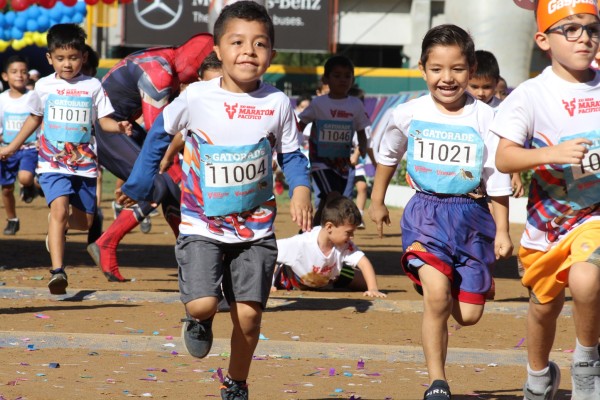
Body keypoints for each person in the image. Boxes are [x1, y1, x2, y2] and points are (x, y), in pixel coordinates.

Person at [116, 2, 312, 399]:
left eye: (260, 44)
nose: (248, 51)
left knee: (250, 318)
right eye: (237, 42)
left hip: (255, 229)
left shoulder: (277, 103)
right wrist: (139, 183)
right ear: (218, 51)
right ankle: (197, 319)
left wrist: (302, 189)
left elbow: (291, 155)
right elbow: (158, 136)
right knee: (205, 304)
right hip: (201, 225)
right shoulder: (197, 97)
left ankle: (236, 383)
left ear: (271, 54)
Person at [368, 24, 513, 400]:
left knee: (468, 315)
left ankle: (464, 278)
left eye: (457, 69)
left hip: (473, 217)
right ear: (422, 68)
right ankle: (438, 382)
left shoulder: (487, 118)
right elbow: (387, 155)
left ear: (471, 68)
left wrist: (502, 231)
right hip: (425, 215)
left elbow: (496, 179)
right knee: (435, 297)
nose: (446, 79)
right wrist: (377, 199)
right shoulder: (408, 113)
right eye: (436, 69)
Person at [492, 1, 600, 399]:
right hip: (547, 225)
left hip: (595, 217)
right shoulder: (530, 95)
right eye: (570, 29)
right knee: (543, 307)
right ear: (543, 40)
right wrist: (551, 154)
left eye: (591, 28)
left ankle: (588, 364)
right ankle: (539, 374)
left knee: (586, 279)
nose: (584, 37)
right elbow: (505, 157)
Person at [0, 23, 132, 295]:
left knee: (84, 222)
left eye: (73, 57)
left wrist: (118, 127)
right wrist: (13, 145)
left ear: (83, 56)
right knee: (59, 209)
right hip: (52, 162)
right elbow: (35, 118)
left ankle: (55, 227)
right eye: (60, 58)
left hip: (84, 164)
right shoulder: (44, 86)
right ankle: (57, 271)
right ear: (50, 59)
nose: (67, 64)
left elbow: (104, 120)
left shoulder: (93, 85)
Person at [86, 32, 214, 282]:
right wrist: (177, 173)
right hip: (107, 130)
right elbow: (160, 132)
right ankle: (107, 243)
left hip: (124, 129)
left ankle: (191, 261)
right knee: (155, 185)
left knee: (172, 191)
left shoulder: (168, 60)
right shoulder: (160, 72)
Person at [297, 55, 370, 226]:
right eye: (337, 75)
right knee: (334, 198)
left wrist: (363, 147)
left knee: (326, 202)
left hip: (342, 163)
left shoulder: (355, 105)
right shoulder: (319, 103)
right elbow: (300, 123)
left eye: (347, 76)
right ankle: (336, 232)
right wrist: (291, 142)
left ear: (352, 79)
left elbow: (361, 130)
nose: (342, 80)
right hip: (320, 162)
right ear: (326, 79)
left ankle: (309, 233)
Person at [272, 194, 385, 297]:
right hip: (292, 279)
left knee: (366, 281)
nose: (352, 237)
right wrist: (267, 283)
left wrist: (373, 289)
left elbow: (364, 262)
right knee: (274, 267)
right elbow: (268, 252)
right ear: (329, 227)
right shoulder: (300, 244)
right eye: (348, 232)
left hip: (330, 278)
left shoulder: (345, 245)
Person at [467, 50, 524, 198]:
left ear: (496, 82)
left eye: (486, 87)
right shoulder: (461, 108)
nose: (480, 93)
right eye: (474, 86)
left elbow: (512, 142)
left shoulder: (504, 109)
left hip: (496, 173)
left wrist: (515, 175)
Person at [0, 55, 41, 235]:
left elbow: (41, 119)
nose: (19, 75)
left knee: (24, 178)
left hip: (29, 148)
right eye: (14, 72)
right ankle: (12, 219)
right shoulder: (2, 100)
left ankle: (30, 186)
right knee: (7, 189)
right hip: (7, 149)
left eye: (24, 72)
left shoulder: (34, 96)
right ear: (5, 76)